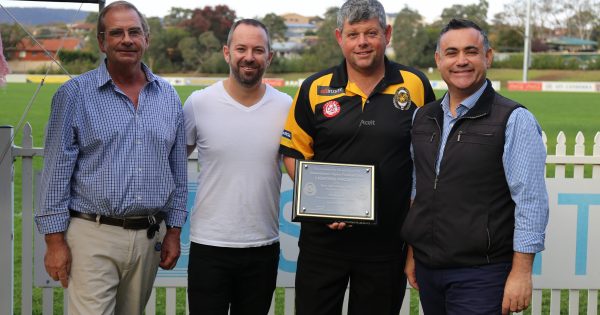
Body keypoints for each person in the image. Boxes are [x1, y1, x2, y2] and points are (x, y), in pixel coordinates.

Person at [279, 0, 435, 313]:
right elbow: (293, 152)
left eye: (370, 33)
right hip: (323, 242)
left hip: (386, 242)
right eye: (353, 34)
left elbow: (428, 160)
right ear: (339, 37)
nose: (361, 42)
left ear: (387, 34)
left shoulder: (414, 84)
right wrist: (327, 203)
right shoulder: (315, 87)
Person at [35, 1, 187, 314]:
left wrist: (173, 231)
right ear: (102, 42)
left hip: (148, 237)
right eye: (116, 33)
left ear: (146, 38)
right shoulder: (74, 94)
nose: (126, 39)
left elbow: (177, 172)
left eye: (134, 31)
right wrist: (54, 242)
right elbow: (55, 173)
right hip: (93, 235)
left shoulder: (168, 96)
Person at [402, 18, 549, 315]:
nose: (461, 61)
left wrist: (521, 273)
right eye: (452, 52)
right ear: (438, 60)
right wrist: (413, 252)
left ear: (488, 56)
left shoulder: (513, 119)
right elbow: (419, 191)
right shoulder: (423, 118)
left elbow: (530, 202)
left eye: (471, 51)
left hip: (482, 274)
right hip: (430, 269)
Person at [183, 19, 292, 314]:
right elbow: (171, 162)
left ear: (269, 56)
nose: (249, 56)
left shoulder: (286, 107)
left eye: (258, 50)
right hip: (209, 245)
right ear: (226, 52)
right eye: (241, 48)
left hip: (262, 246)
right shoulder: (198, 103)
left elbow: (303, 165)